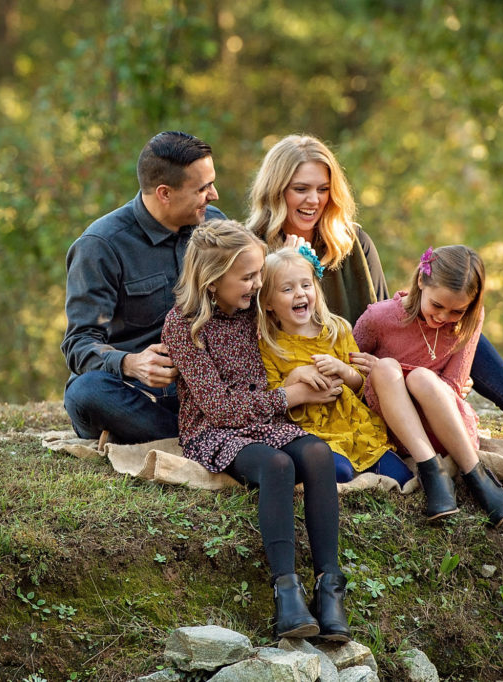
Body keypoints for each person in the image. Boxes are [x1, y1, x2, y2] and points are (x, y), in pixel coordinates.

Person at [245, 134, 503, 467]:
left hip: (367, 365)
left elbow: (383, 316)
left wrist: (445, 366)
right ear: (277, 191)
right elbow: (248, 330)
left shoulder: (353, 242)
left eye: (323, 189)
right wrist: (284, 269)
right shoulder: (253, 251)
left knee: (456, 321)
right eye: (301, 189)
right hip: (307, 373)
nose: (314, 200)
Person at [160, 220, 350, 641]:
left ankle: (330, 587)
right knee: (278, 465)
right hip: (212, 430)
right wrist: (290, 396)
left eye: (259, 274)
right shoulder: (183, 324)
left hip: (265, 421)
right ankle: (287, 593)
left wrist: (304, 372)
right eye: (248, 277)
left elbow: (296, 335)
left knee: (317, 454)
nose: (257, 285)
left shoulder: (253, 310)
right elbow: (220, 409)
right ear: (212, 280)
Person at [61, 131, 223, 444]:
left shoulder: (215, 226)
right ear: (165, 193)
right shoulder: (101, 245)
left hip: (203, 385)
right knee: (86, 393)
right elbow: (79, 344)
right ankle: (201, 434)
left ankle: (195, 432)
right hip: (137, 392)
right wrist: (131, 363)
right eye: (203, 188)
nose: (213, 195)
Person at [353, 245, 503, 527]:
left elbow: (452, 386)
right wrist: (374, 370)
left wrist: (396, 368)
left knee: (417, 377)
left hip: (446, 423)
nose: (443, 317)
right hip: (397, 424)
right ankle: (433, 472)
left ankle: (477, 475)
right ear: (421, 281)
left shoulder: (470, 319)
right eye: (437, 305)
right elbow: (347, 366)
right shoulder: (378, 318)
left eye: (456, 311)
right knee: (384, 369)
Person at [257, 245, 414, 488]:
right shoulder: (269, 345)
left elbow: (363, 387)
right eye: (287, 289)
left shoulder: (337, 331)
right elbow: (272, 401)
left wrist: (344, 370)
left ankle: (369, 464)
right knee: (339, 472)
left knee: (402, 477)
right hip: (314, 432)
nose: (300, 294)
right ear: (268, 303)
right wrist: (296, 375)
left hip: (354, 425)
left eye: (306, 285)